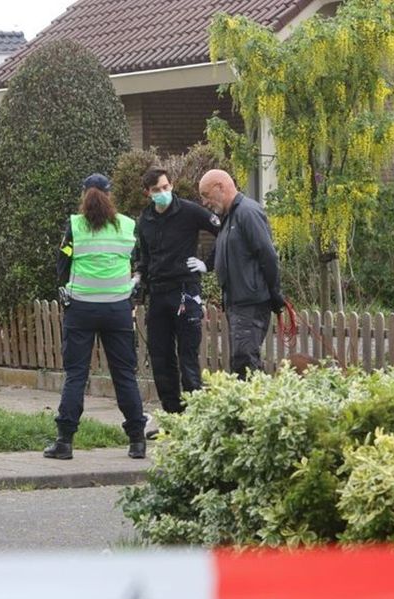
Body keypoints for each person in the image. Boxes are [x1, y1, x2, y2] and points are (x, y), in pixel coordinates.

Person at [45, 173, 147, 460]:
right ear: (109, 194)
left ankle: (64, 442)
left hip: (81, 309)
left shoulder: (74, 227)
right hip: (117, 310)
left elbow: (62, 260)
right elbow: (138, 258)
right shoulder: (127, 226)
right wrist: (133, 292)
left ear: (83, 195)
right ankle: (137, 441)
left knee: (76, 374)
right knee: (124, 375)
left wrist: (64, 288)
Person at [133, 167, 220, 437]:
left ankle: (194, 421)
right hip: (158, 293)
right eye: (157, 190)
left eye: (166, 187)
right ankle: (172, 418)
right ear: (147, 193)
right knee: (160, 358)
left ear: (171, 186)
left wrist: (208, 263)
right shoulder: (145, 220)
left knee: (188, 357)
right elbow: (143, 256)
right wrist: (138, 277)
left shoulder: (190, 212)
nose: (163, 193)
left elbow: (224, 228)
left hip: (185, 290)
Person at [198, 169, 285, 379]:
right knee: (241, 361)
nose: (205, 203)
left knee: (245, 361)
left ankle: (259, 406)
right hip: (237, 302)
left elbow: (268, 256)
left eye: (206, 195)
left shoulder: (247, 212)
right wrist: (205, 266)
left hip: (251, 302)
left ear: (220, 187)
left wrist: (275, 294)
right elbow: (221, 251)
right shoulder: (229, 218)